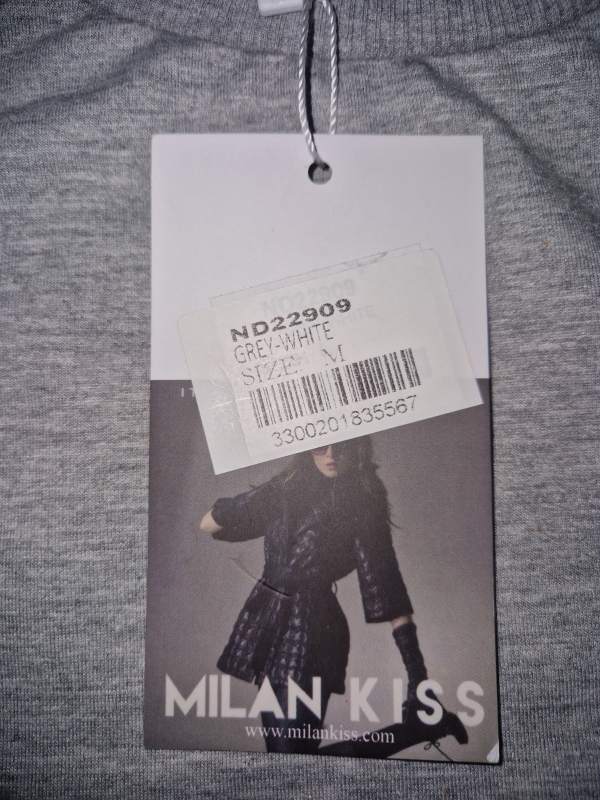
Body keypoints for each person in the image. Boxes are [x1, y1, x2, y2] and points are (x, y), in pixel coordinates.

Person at [200, 437, 467, 756]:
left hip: (313, 632)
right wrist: (270, 491)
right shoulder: (286, 491)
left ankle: (418, 728)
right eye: (319, 447)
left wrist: (418, 678)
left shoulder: (361, 504)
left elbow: (388, 589)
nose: (331, 456)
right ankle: (419, 729)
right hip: (269, 627)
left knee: (290, 758)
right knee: (287, 758)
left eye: (340, 446)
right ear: (305, 448)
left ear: (357, 447)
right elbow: (209, 524)